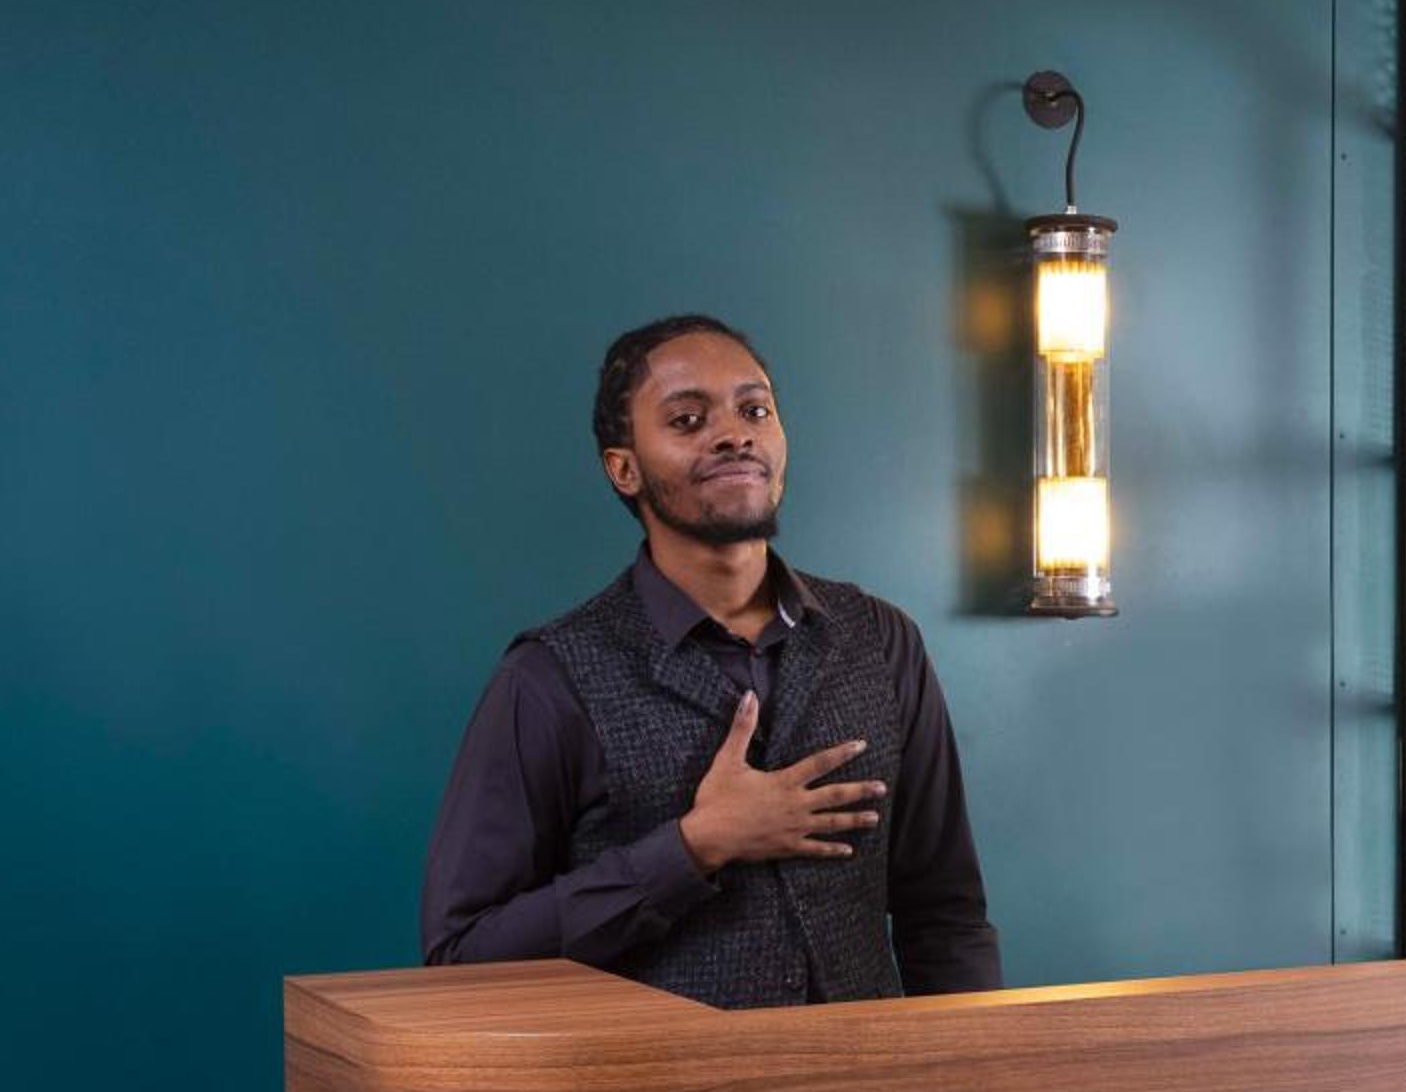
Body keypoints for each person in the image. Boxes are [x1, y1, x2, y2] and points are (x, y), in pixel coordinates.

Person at [421, 315, 1001, 1008]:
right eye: (688, 420)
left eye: (754, 411)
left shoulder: (880, 640)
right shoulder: (549, 679)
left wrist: (975, 1067)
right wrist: (692, 848)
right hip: (650, 1078)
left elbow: (946, 913)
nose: (734, 434)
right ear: (624, 468)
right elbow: (463, 956)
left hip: (870, 1076)